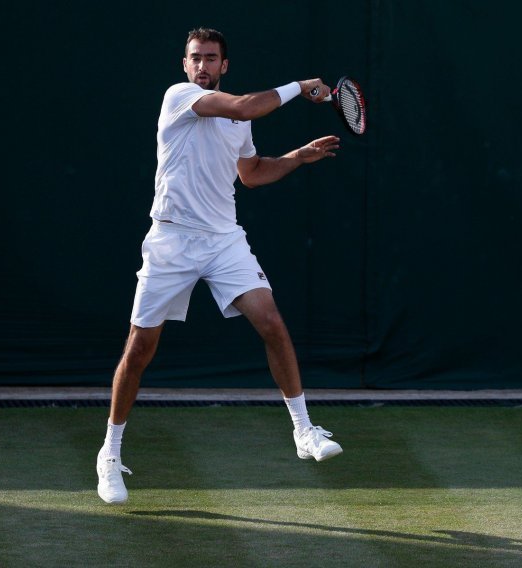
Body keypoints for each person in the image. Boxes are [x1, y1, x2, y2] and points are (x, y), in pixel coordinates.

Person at [96, 27, 344, 504]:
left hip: (223, 240)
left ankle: (303, 430)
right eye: (196, 58)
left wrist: (296, 157)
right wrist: (301, 85)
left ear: (224, 65)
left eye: (212, 59)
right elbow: (245, 106)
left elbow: (250, 175)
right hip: (170, 239)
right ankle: (109, 452)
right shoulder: (180, 97)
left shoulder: (239, 118)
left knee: (271, 321)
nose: (204, 66)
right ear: (185, 65)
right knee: (141, 347)